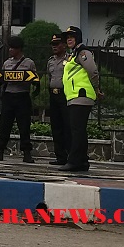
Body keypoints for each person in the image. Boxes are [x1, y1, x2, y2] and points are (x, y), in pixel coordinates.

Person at [59, 26, 103, 172]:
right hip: (75, 97)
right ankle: (82, 161)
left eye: (72, 36)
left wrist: (97, 88)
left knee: (76, 130)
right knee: (79, 130)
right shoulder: (73, 54)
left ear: (78, 37)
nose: (69, 39)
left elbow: (93, 71)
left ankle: (74, 161)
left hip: (81, 95)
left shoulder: (83, 52)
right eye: (67, 37)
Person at [0, 36, 39, 163]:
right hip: (9, 96)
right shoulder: (7, 63)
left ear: (19, 49)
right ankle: (0, 150)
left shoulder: (29, 63)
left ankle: (26, 153)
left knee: (24, 126)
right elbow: (1, 80)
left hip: (22, 96)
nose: (10, 50)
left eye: (12, 48)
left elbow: (35, 80)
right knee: (4, 125)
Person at [46, 34, 71, 165]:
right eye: (52, 45)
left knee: (67, 126)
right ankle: (60, 156)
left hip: (65, 95)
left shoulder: (70, 59)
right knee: (56, 127)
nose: (54, 47)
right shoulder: (50, 61)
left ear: (64, 45)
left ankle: (69, 156)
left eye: (57, 44)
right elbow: (49, 78)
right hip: (53, 95)